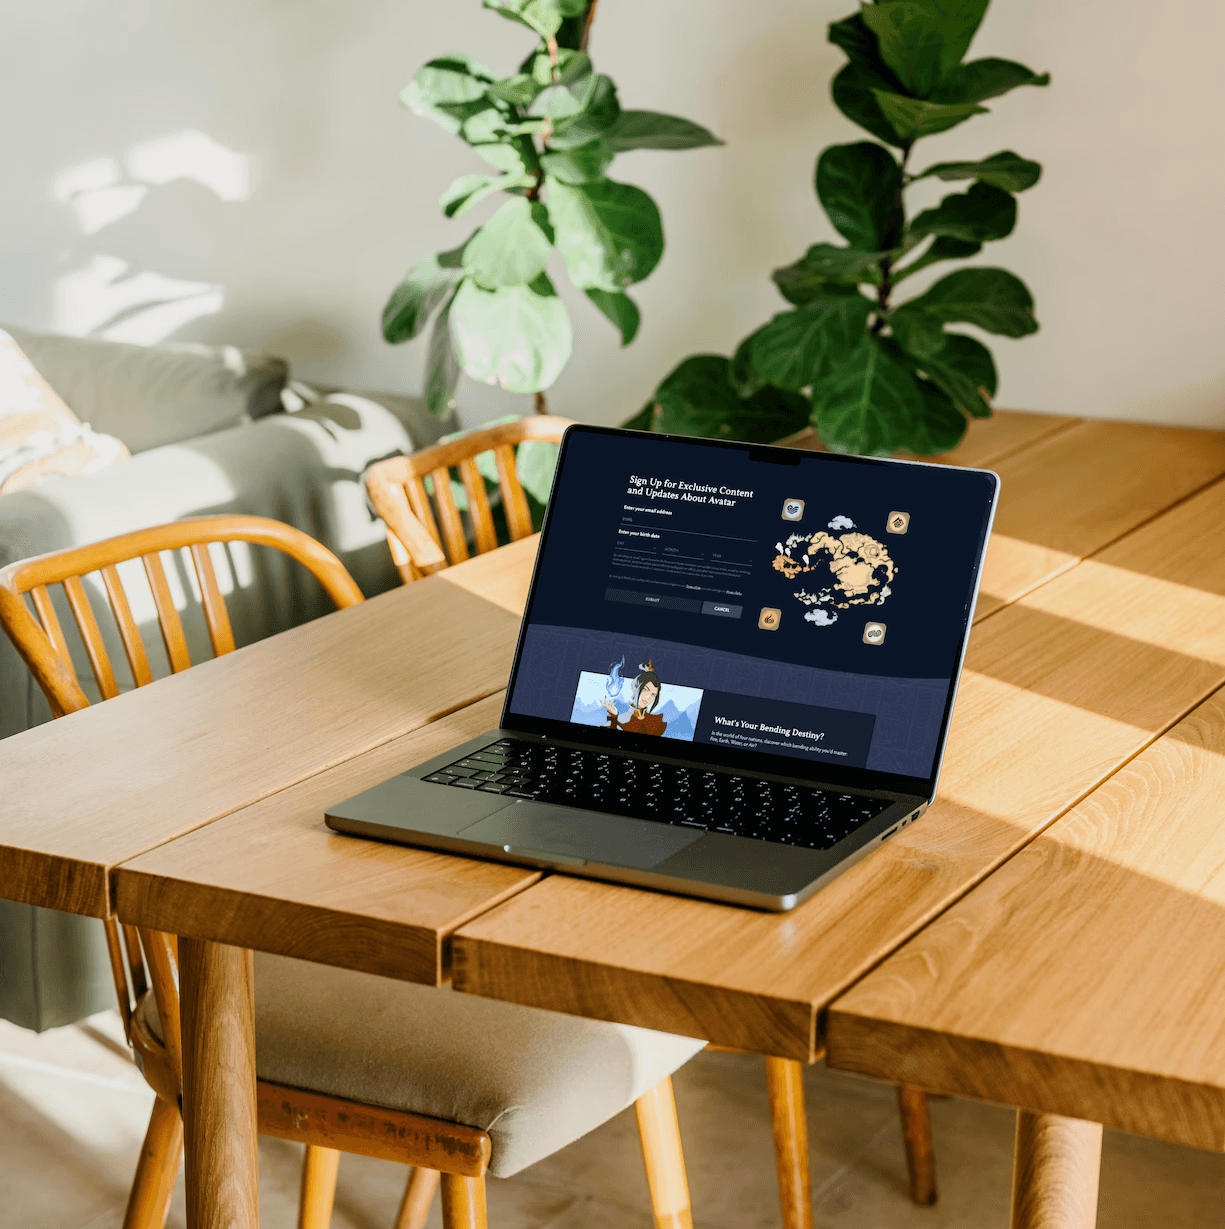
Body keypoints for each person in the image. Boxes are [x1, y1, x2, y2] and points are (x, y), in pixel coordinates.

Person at [604, 660, 667, 736]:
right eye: (645, 690)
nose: (648, 697)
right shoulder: (620, 719)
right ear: (635, 688)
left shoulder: (654, 723)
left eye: (653, 694)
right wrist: (614, 719)